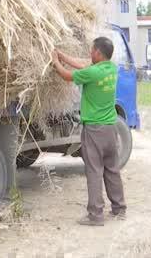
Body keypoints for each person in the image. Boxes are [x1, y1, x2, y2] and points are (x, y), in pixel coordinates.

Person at [51, 37, 127, 226]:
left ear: (99, 54)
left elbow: (67, 76)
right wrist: (62, 55)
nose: (90, 53)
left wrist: (55, 62)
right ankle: (119, 209)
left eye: (92, 50)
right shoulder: (111, 68)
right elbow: (83, 65)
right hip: (111, 128)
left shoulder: (92, 73)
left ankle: (96, 215)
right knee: (112, 170)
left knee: (94, 171)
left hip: (94, 129)